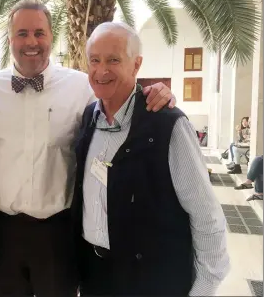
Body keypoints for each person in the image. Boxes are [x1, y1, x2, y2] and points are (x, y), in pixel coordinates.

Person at [0, 0, 176, 297]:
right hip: (2, 235)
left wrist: (153, 92)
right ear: (10, 40)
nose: (31, 41)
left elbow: (121, 106)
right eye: (22, 33)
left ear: (51, 36)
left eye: (39, 33)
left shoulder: (83, 88)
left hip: (59, 234)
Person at [71, 22, 230, 296]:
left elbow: (207, 216)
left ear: (136, 65)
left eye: (113, 60)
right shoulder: (88, 118)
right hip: (95, 277)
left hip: (150, 281)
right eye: (94, 60)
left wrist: (204, 287)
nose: (101, 70)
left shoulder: (167, 125)